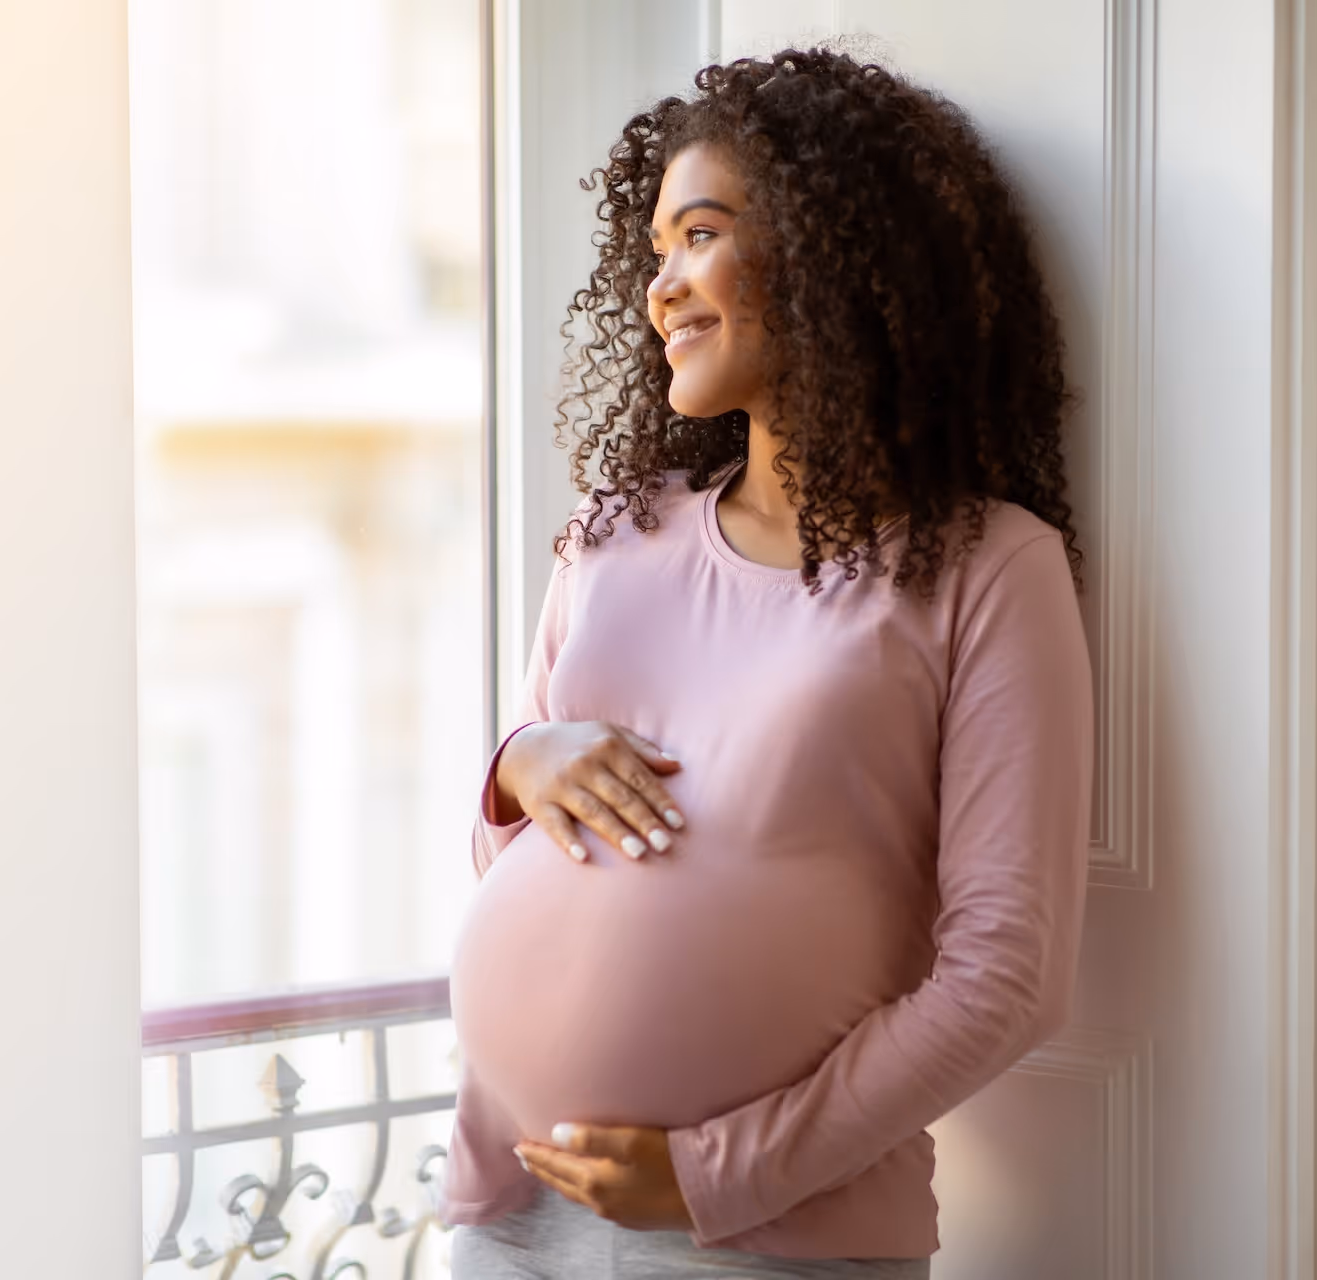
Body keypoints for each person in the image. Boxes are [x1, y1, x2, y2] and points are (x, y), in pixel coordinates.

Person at [438, 46, 1094, 1279]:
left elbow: (1009, 974)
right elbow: (506, 860)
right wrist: (520, 765)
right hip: (510, 1208)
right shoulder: (614, 533)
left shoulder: (988, 569)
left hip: (765, 1243)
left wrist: (718, 1174)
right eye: (654, 255)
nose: (662, 288)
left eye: (699, 235)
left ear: (831, 250)